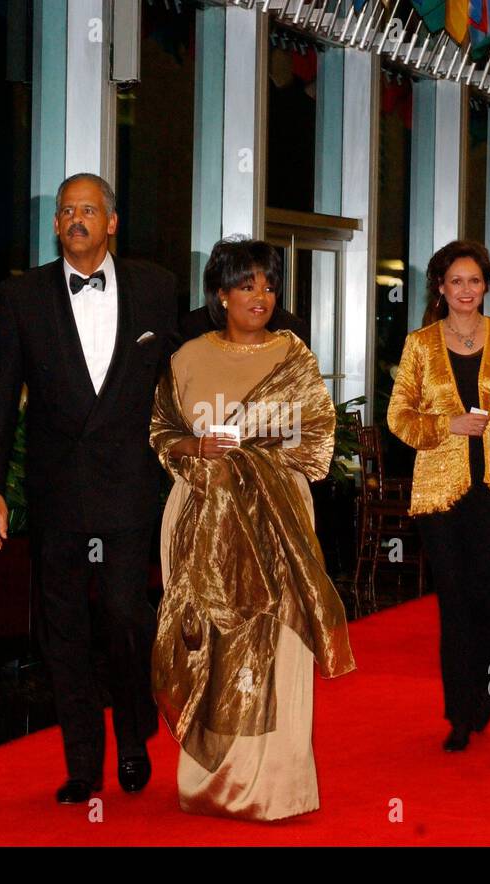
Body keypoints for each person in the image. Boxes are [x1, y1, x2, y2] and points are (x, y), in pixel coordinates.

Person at [0, 172, 180, 804]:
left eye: (88, 210)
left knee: (123, 611)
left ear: (112, 222)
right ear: (56, 224)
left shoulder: (157, 288)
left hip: (130, 485)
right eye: (66, 212)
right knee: (60, 626)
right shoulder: (22, 298)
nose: (76, 220)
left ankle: (136, 731)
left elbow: (179, 382)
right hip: (57, 486)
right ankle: (84, 763)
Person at [149, 238, 355, 821]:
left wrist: (255, 451)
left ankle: (275, 788)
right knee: (209, 644)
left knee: (279, 644)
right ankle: (209, 782)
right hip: (199, 518)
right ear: (221, 294)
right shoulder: (186, 357)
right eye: (246, 285)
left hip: (278, 520)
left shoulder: (293, 355)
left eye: (268, 285)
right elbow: (162, 433)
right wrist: (197, 445)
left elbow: (315, 440)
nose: (260, 296)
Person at [386, 240, 490, 753]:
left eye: (474, 281)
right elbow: (397, 417)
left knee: (489, 599)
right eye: (455, 282)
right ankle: (460, 713)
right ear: (441, 289)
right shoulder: (420, 344)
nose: (465, 291)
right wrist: (447, 424)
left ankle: (486, 687)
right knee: (454, 601)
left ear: (486, 285)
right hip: (440, 494)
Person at [179, 237, 309, 343]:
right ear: (223, 295)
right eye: (248, 288)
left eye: (269, 289)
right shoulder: (192, 334)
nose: (260, 297)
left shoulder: (293, 343)